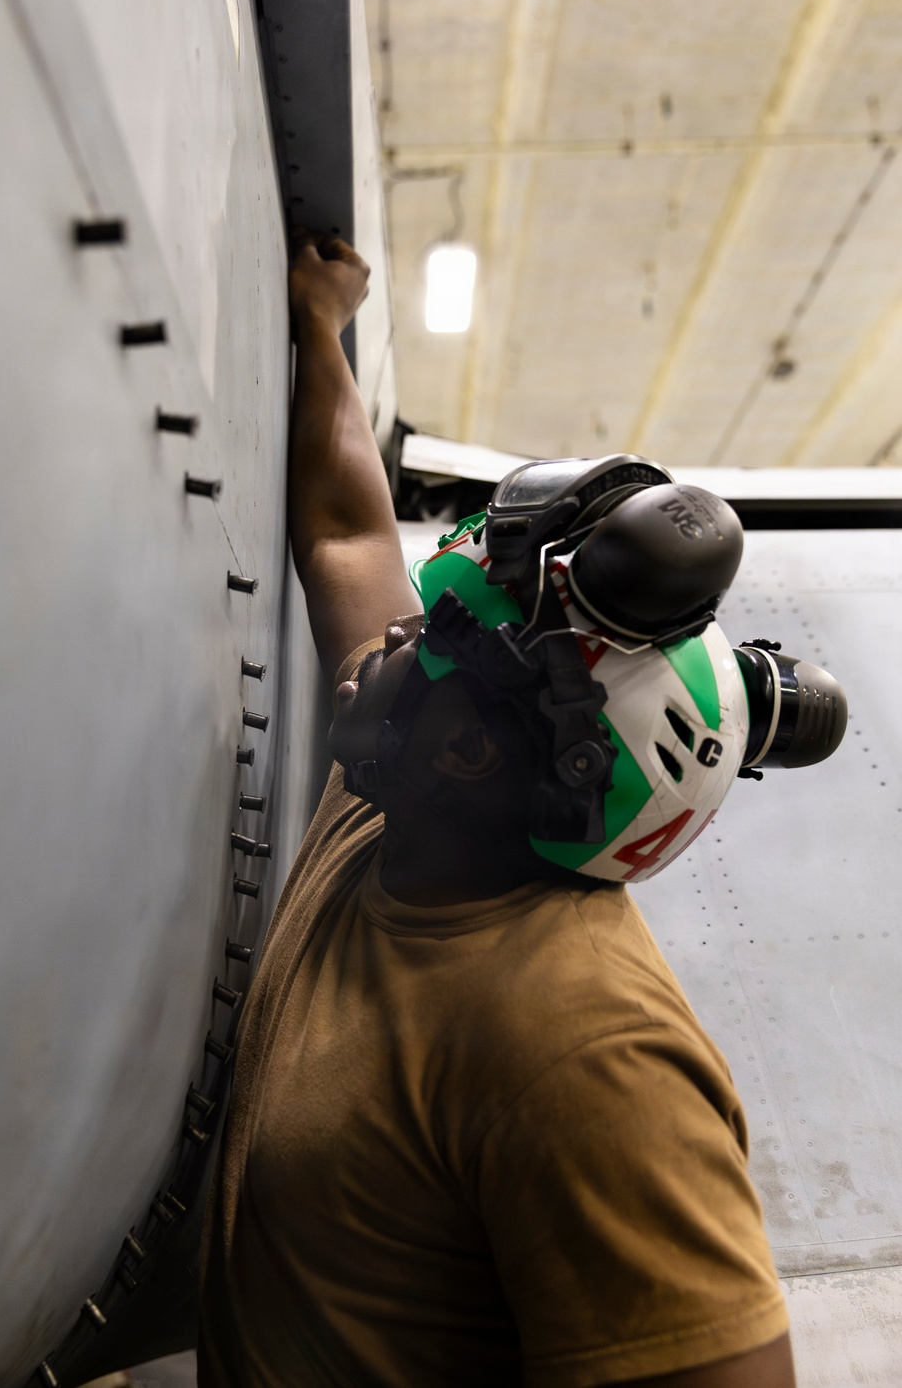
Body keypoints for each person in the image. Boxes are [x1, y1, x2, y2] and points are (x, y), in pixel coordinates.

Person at [197, 232, 796, 1387]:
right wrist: (320, 325)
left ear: (473, 749)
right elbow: (347, 534)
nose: (392, 648)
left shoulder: (585, 1057)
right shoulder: (403, 819)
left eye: (431, 639)